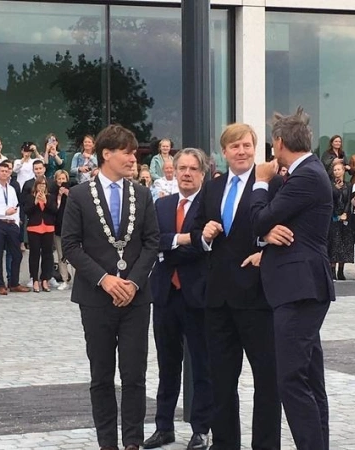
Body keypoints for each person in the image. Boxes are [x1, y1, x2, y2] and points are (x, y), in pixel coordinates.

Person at [61, 124, 159, 450]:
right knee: (102, 376)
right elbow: (71, 246)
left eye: (134, 152)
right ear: (107, 154)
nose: (134, 157)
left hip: (135, 298)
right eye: (127, 151)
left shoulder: (143, 195)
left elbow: (152, 243)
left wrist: (132, 282)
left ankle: (132, 442)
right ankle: (108, 443)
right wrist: (105, 279)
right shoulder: (78, 196)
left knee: (134, 375)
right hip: (96, 298)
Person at [190, 123, 281, 450]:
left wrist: (265, 252)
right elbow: (196, 231)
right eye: (234, 147)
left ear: (254, 148)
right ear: (224, 152)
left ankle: (266, 446)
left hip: (257, 299)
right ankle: (225, 444)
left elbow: (286, 230)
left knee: (267, 383)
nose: (241, 152)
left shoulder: (271, 182)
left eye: (246, 145)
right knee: (221, 382)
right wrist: (204, 235)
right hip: (217, 301)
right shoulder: (212, 188)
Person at [251, 108, 335, 450]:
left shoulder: (307, 175)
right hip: (299, 287)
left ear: (279, 143)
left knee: (291, 380)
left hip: (299, 288)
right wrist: (268, 233)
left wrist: (259, 181)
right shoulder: (304, 173)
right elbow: (270, 224)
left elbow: (259, 217)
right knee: (310, 379)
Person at [143, 148, 212, 450]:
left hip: (197, 296)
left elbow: (204, 246)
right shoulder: (162, 204)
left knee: (201, 365)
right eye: (181, 167)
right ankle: (163, 427)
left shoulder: (210, 206)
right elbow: (152, 240)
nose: (186, 173)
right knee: (166, 363)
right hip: (165, 295)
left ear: (202, 173)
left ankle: (201, 429)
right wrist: (182, 240)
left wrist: (173, 245)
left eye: (192, 169)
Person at [0, 161, 29, 294]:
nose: (4, 173)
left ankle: (14, 283)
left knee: (17, 254)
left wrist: (15, 222)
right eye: (2, 171)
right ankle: (0, 285)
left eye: (7, 171)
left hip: (11, 224)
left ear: (10, 173)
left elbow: (16, 207)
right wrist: (4, 213)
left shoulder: (11, 189)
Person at [22, 175, 56, 293]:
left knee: (48, 255)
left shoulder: (51, 197)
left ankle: (45, 279)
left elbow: (54, 211)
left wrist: (45, 202)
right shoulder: (30, 197)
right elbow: (27, 211)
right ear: (36, 186)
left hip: (48, 228)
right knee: (34, 255)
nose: (42, 187)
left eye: (44, 185)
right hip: (34, 228)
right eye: (39, 185)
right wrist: (35, 202)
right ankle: (35, 279)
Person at [328, 162, 353, 281]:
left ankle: (341, 271)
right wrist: (336, 215)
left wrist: (345, 213)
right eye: (335, 170)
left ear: (343, 171)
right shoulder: (330, 185)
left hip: (345, 217)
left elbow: (349, 201)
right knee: (334, 243)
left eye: (339, 169)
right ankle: (332, 270)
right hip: (333, 217)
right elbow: (329, 201)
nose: (337, 172)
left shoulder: (348, 185)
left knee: (344, 243)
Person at [53, 170, 72, 290]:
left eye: (63, 179)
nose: (61, 181)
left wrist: (67, 193)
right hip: (58, 228)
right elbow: (55, 208)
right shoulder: (53, 192)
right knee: (61, 255)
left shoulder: (73, 191)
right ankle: (65, 279)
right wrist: (59, 196)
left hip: (72, 229)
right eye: (59, 179)